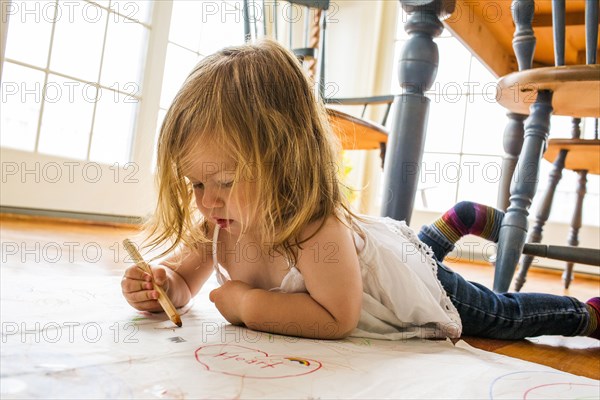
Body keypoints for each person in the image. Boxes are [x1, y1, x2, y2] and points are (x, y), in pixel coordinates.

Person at [121, 39, 599, 341]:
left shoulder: (313, 231)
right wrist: (162, 284)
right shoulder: (218, 223)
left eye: (224, 182)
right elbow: (183, 281)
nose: (207, 201)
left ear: (286, 162)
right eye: (196, 183)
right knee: (411, 247)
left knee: (498, 315)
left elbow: (336, 318)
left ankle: (584, 315)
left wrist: (248, 304)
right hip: (377, 251)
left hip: (402, 285)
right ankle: (454, 224)